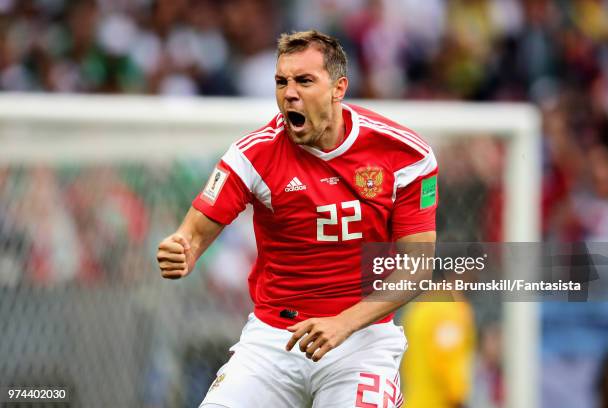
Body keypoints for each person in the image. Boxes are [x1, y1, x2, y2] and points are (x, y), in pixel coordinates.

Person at [156, 30, 438, 408]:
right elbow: (193, 232)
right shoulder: (252, 155)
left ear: (339, 88)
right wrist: (183, 248)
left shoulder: (405, 155)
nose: (289, 92)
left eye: (304, 80)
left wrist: (344, 322)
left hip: (363, 340)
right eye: (281, 81)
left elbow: (417, 268)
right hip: (273, 338)